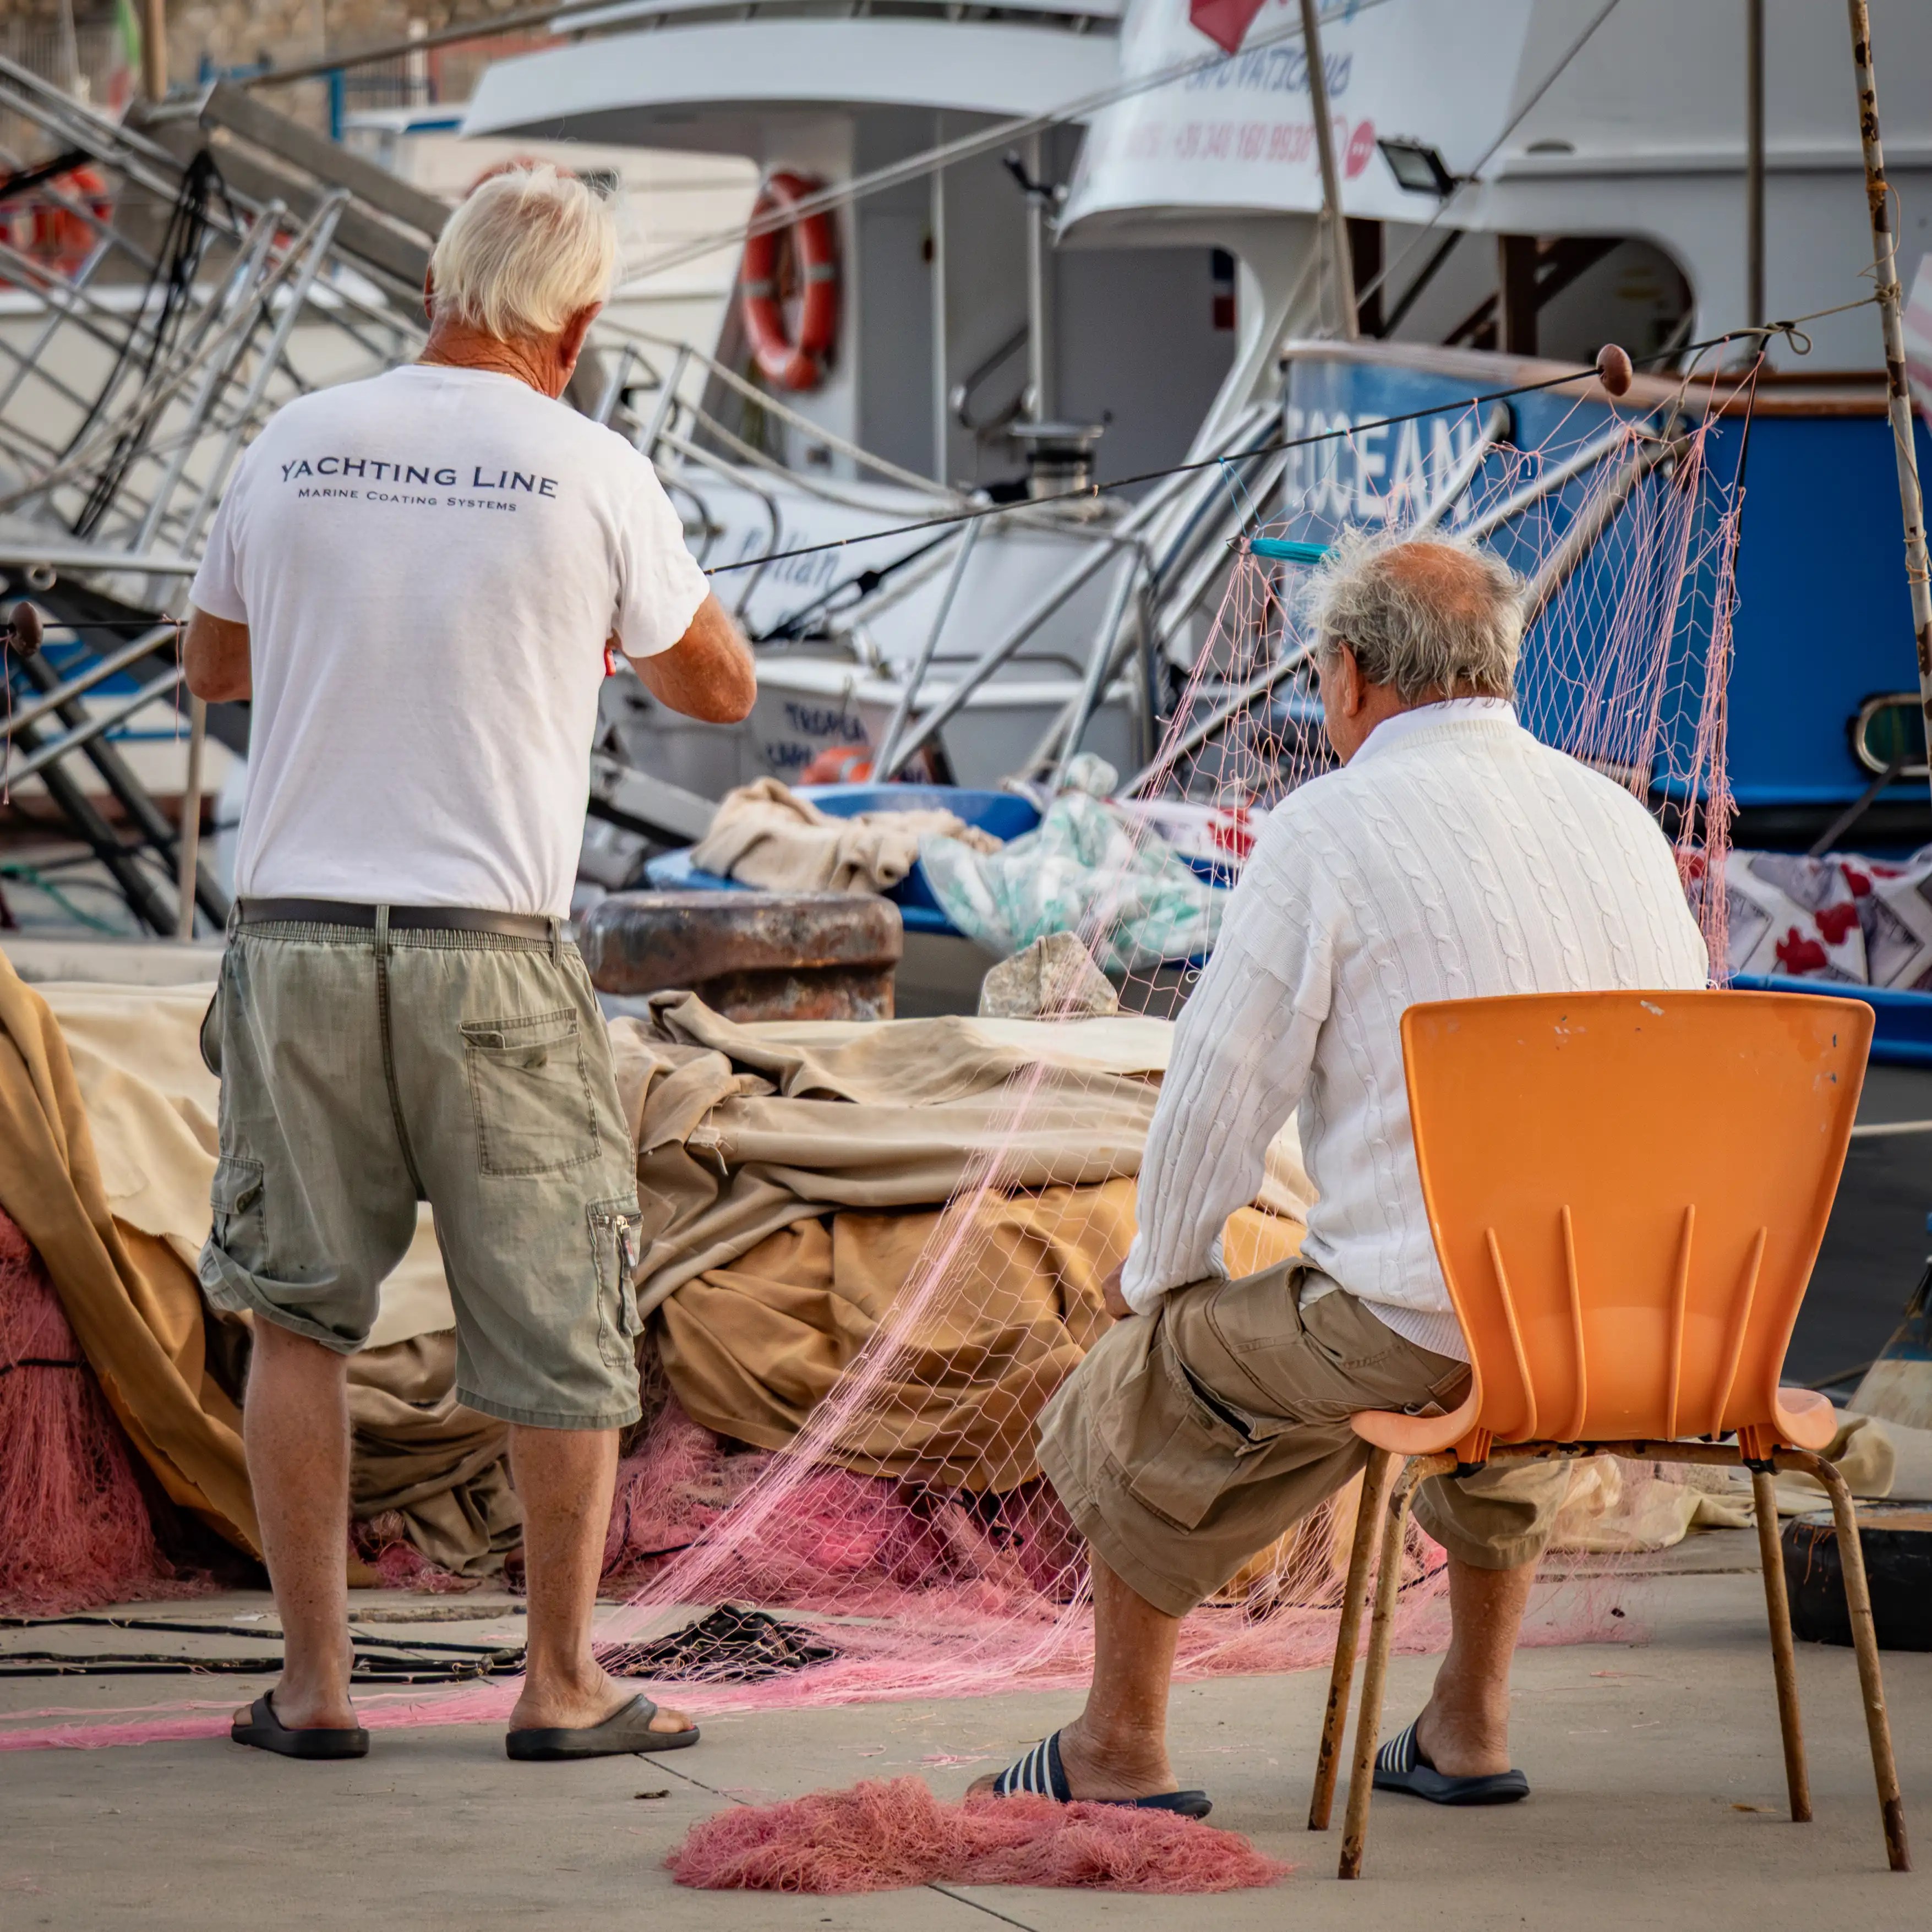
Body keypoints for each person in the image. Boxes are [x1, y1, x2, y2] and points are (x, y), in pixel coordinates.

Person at [977, 528, 1709, 1815]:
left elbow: (1218, 1095)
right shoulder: (1624, 825)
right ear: (1501, 665)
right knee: (1511, 1355)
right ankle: (1468, 1727)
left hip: (1426, 1329)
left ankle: (1118, 1750)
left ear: (1352, 676)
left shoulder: (1326, 829)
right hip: (1626, 1325)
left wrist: (1167, 1284)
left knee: (1145, 1378)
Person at [183, 164, 755, 1762]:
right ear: (573, 323)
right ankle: (561, 1682)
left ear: (439, 287)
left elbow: (212, 663)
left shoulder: (293, 440)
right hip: (490, 958)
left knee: (296, 1316)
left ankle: (312, 1691)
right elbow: (717, 686)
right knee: (557, 1319)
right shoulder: (589, 466)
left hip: (291, 939)